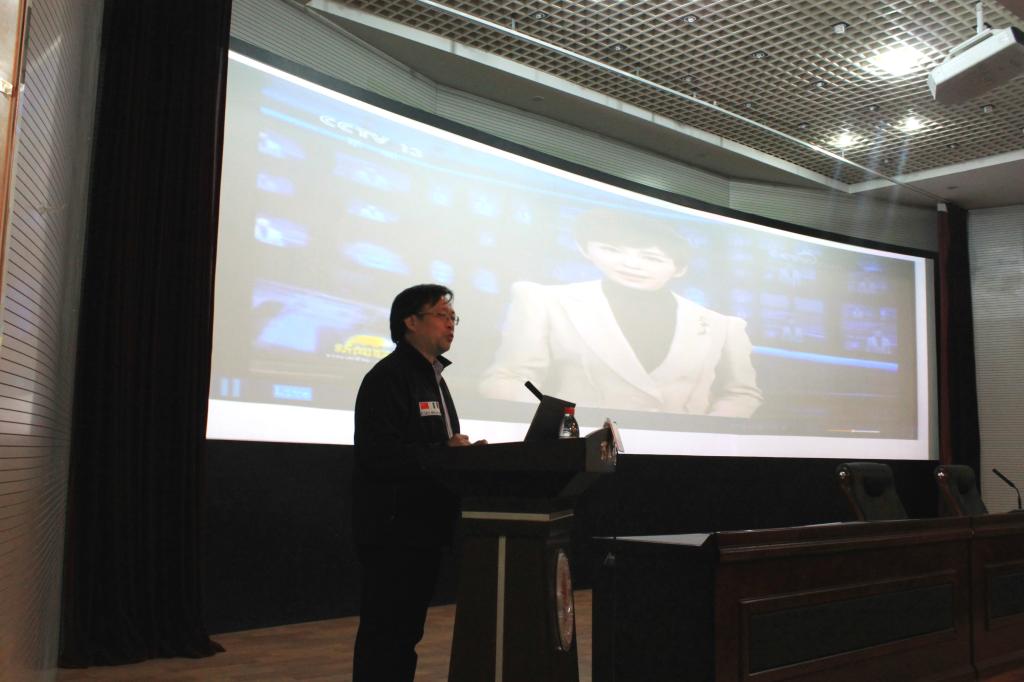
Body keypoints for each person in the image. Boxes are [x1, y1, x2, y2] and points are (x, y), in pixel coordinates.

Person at [479, 209, 763, 417]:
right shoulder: (544, 300)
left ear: (679, 268)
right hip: (581, 454)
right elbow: (508, 378)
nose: (630, 265)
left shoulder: (723, 325)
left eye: (651, 257)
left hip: (682, 457)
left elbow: (741, 394)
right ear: (586, 250)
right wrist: (557, 426)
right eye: (611, 250)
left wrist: (705, 434)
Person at [351, 283, 483, 682]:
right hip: (394, 529)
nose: (451, 324)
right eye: (441, 315)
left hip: (425, 527)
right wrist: (445, 451)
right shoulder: (388, 378)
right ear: (410, 322)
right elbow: (378, 453)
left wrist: (462, 456)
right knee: (386, 633)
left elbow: (435, 447)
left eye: (453, 317)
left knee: (405, 633)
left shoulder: (435, 377)